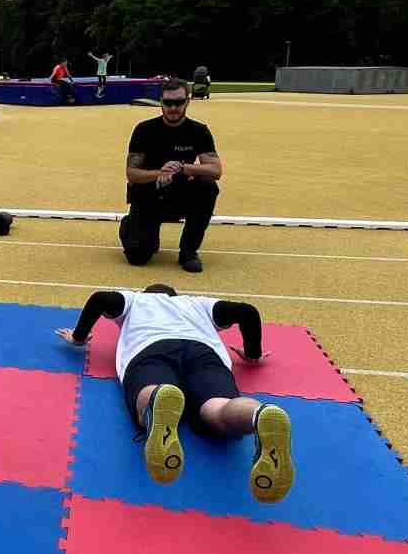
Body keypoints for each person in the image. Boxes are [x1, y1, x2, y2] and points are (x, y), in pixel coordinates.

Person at [53, 284, 294, 503]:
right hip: (204, 353)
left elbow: (100, 298)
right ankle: (258, 415)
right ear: (175, 295)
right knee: (218, 407)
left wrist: (78, 337)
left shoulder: (136, 300)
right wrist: (252, 354)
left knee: (150, 393)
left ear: (148, 293)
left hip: (151, 349)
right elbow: (247, 311)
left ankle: (158, 397)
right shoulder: (198, 303)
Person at [121, 78, 223, 273]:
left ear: (188, 101)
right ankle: (130, 225)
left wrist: (182, 168)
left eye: (179, 102)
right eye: (168, 102)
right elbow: (132, 174)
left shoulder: (199, 131)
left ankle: (188, 251)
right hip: (149, 194)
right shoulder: (144, 130)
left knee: (208, 187)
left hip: (181, 193)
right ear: (161, 102)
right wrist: (162, 172)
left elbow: (216, 170)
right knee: (138, 257)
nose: (173, 107)